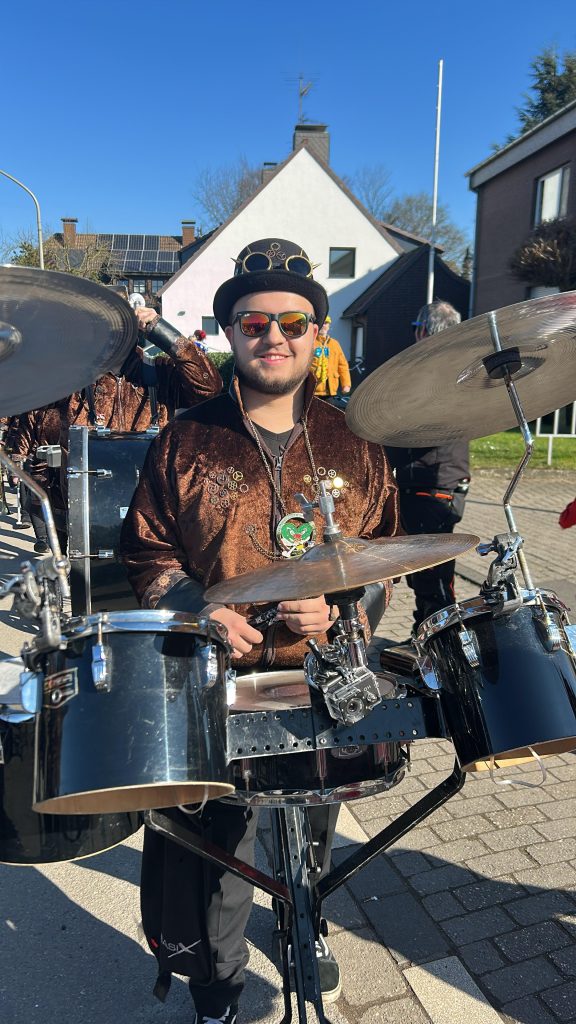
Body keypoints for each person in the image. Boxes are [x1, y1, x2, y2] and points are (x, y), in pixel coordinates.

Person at [120, 236, 400, 1024]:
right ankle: (216, 985)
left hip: (322, 679)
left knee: (313, 827)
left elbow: (384, 559)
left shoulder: (358, 443)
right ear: (229, 333)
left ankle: (306, 922)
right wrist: (197, 607)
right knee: (215, 851)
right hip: (218, 680)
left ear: (318, 333)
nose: (273, 336)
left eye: (292, 322)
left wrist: (344, 610)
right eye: (253, 323)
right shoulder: (182, 442)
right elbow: (146, 552)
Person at [385, 300, 470, 633]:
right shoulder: (454, 370)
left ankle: (443, 644)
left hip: (432, 483)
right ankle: (425, 634)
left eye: (415, 329)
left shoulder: (437, 373)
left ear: (423, 331)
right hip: (436, 480)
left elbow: (416, 427)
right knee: (425, 574)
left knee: (433, 576)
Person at [311, 316, 352, 401]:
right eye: (322, 323)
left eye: (326, 323)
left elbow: (342, 365)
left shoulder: (335, 344)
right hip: (312, 389)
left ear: (329, 326)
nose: (323, 325)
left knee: (328, 409)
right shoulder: (310, 342)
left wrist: (346, 384)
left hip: (330, 389)